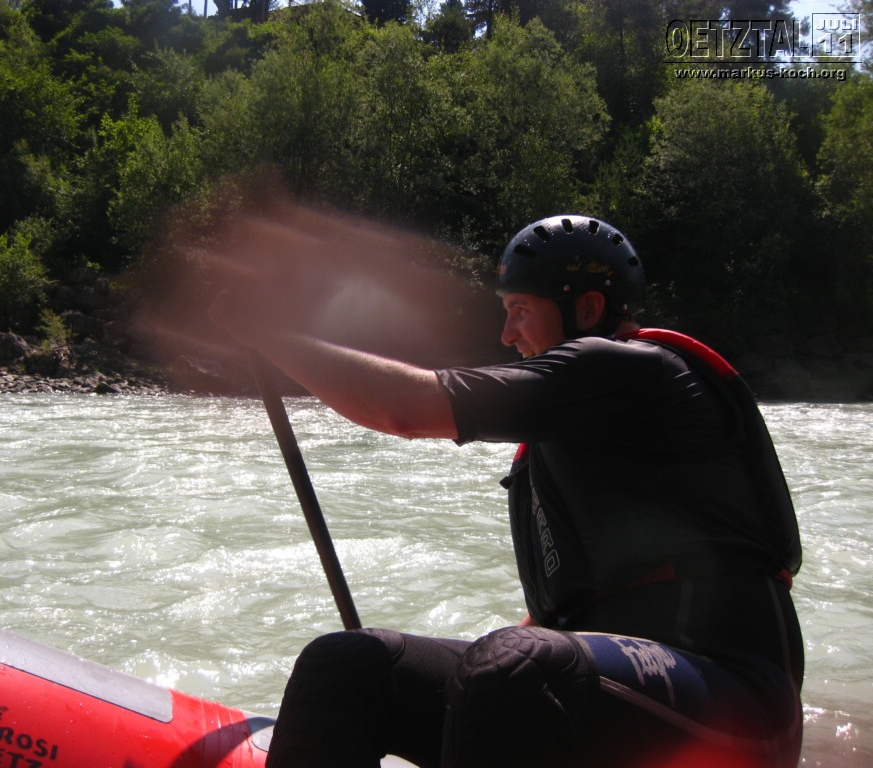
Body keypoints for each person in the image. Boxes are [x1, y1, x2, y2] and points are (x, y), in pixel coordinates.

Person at [208, 213, 804, 768]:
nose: (506, 333)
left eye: (519, 310)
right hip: (604, 693)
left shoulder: (638, 371)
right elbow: (558, 618)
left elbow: (404, 410)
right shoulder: (571, 441)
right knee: (350, 665)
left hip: (735, 702)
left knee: (513, 669)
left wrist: (269, 336)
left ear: (588, 308)